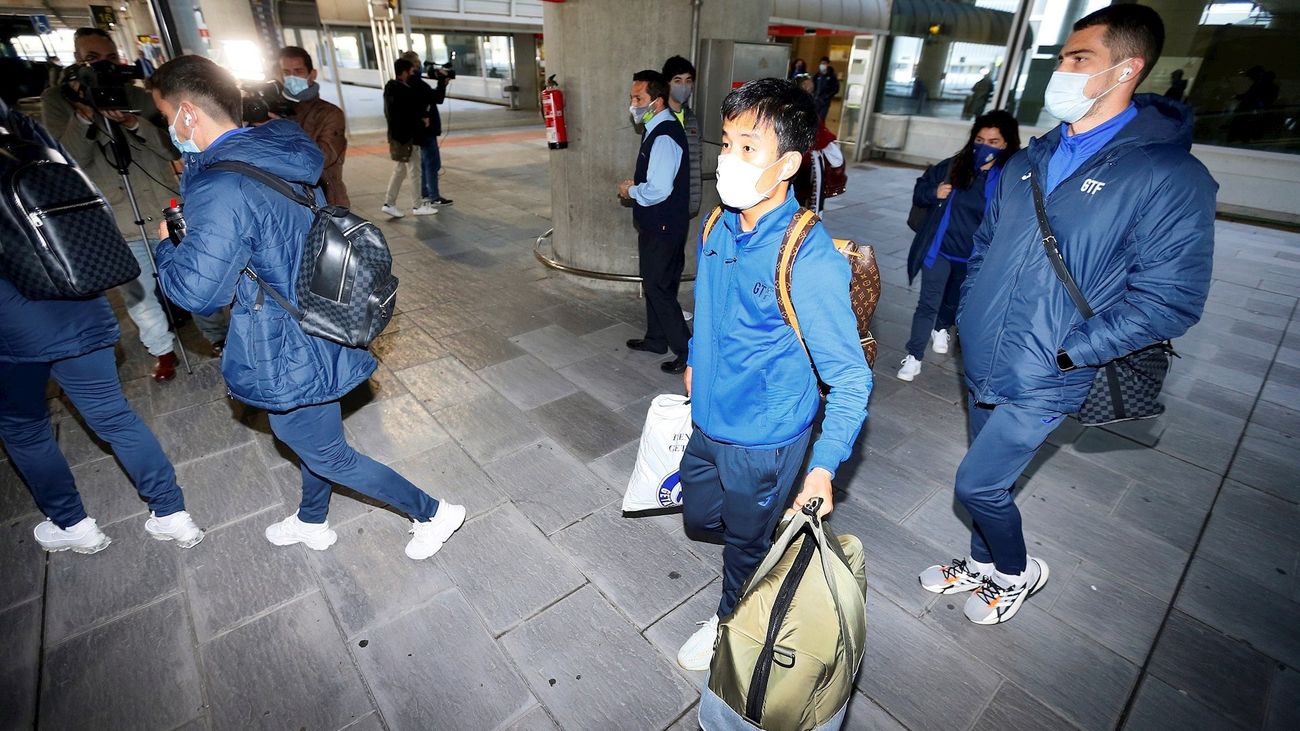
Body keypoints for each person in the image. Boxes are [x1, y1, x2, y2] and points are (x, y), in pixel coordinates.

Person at [919, 4, 1216, 625]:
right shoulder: (1030, 158)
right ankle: (984, 564)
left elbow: (1171, 299)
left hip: (1052, 365)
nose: (1064, 71)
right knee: (990, 480)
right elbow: (984, 246)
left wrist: (1071, 351)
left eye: (1080, 60)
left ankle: (1017, 571)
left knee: (976, 484)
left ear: (1126, 69)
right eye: (1062, 59)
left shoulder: (1169, 175)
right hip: (986, 351)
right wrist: (969, 314)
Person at [148, 55, 465, 560]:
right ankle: (313, 519)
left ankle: (432, 512)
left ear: (188, 113)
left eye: (165, 116)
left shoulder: (222, 186)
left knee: (321, 447)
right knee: (312, 434)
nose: (168, 129)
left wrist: (168, 243)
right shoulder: (280, 146)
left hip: (284, 332)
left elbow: (197, 294)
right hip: (319, 308)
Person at [676, 78, 872, 670]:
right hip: (708, 420)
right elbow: (707, 312)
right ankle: (763, 544)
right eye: (727, 143)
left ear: (787, 163)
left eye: (748, 148)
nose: (727, 160)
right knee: (699, 515)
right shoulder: (717, 224)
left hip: (764, 438)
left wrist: (822, 467)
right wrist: (692, 361)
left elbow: (852, 379)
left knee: (742, 546)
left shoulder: (805, 257)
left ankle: (733, 623)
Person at [0, 97, 204, 555]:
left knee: (24, 428)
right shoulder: (34, 151)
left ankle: (74, 526)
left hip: (14, 326)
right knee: (114, 417)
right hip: (81, 305)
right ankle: (173, 515)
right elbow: (71, 163)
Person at [40, 27, 228, 381]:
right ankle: (162, 350)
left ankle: (218, 336)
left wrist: (131, 121)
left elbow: (173, 147)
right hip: (117, 217)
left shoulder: (140, 96)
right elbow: (64, 159)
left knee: (196, 276)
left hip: (163, 205)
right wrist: (83, 115)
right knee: (138, 294)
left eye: (110, 59)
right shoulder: (59, 100)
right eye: (93, 60)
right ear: (78, 61)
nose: (103, 68)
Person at [897, 110, 1020, 383]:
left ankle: (942, 326)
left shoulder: (1010, 178)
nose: (984, 146)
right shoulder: (954, 166)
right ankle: (914, 356)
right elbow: (921, 189)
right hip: (939, 250)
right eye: (980, 139)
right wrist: (934, 192)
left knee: (953, 301)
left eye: (993, 141)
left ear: (1006, 144)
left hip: (974, 258)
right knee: (927, 303)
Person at [618, 70, 690, 374]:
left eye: (639, 98)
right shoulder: (658, 127)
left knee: (658, 287)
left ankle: (688, 353)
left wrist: (631, 190)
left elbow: (660, 189)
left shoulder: (664, 135)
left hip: (662, 226)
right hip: (663, 224)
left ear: (656, 102)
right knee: (658, 283)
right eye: (633, 97)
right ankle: (656, 339)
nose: (633, 104)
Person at [279, 46, 350, 207]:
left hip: (325, 201)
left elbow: (322, 158)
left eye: (298, 71)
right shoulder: (272, 111)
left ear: (312, 74)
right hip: (284, 202)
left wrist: (281, 129)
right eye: (286, 72)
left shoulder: (329, 113)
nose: (292, 77)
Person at [381, 57, 435, 218]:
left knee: (400, 170)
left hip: (397, 137)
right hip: (408, 138)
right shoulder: (404, 90)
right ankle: (417, 206)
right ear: (404, 72)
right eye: (411, 71)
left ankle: (389, 203)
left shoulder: (391, 88)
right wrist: (422, 118)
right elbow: (410, 114)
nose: (413, 74)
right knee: (415, 171)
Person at [400, 51, 454, 211]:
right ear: (413, 66)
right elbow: (437, 98)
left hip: (417, 130)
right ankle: (434, 197)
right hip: (426, 130)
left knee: (423, 163)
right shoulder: (417, 83)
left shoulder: (407, 83)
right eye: (417, 64)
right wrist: (442, 82)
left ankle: (424, 194)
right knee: (432, 163)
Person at [792, 74, 845, 213]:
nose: (811, 87)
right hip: (809, 163)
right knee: (810, 203)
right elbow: (834, 155)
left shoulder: (788, 109)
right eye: (808, 85)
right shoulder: (809, 112)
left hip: (793, 162)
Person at [661, 55, 702, 220]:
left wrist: (693, 201)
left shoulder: (692, 119)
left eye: (688, 80)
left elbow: (696, 161)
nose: (684, 86)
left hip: (686, 204)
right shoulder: (659, 118)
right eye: (677, 80)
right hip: (664, 205)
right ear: (667, 83)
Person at [812, 56, 839, 121]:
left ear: (827, 64)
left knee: (821, 118)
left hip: (825, 101)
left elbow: (836, 88)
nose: (822, 65)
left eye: (824, 63)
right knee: (814, 117)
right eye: (821, 63)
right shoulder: (817, 75)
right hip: (816, 100)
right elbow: (813, 86)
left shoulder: (831, 76)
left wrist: (827, 96)